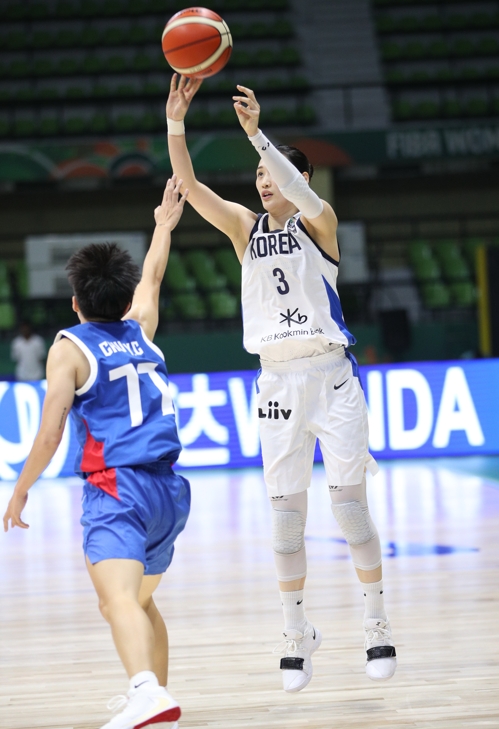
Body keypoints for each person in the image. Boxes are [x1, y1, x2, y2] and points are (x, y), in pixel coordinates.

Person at [166, 75, 397, 693]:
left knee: (350, 511)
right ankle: (297, 635)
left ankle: (376, 623)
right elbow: (188, 186)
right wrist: (175, 123)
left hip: (331, 377)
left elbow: (296, 187)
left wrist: (257, 137)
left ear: (298, 181)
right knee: (286, 525)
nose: (264, 180)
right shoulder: (245, 229)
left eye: (274, 173)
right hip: (276, 384)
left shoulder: (321, 225)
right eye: (260, 174)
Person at [3, 176, 190, 729]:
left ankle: (144, 692)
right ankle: (158, 699)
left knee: (118, 603)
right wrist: (162, 225)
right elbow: (153, 273)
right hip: (170, 494)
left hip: (118, 488)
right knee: (136, 602)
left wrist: (19, 489)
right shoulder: (142, 328)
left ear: (76, 302)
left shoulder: (68, 346)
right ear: (121, 298)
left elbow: (49, 433)